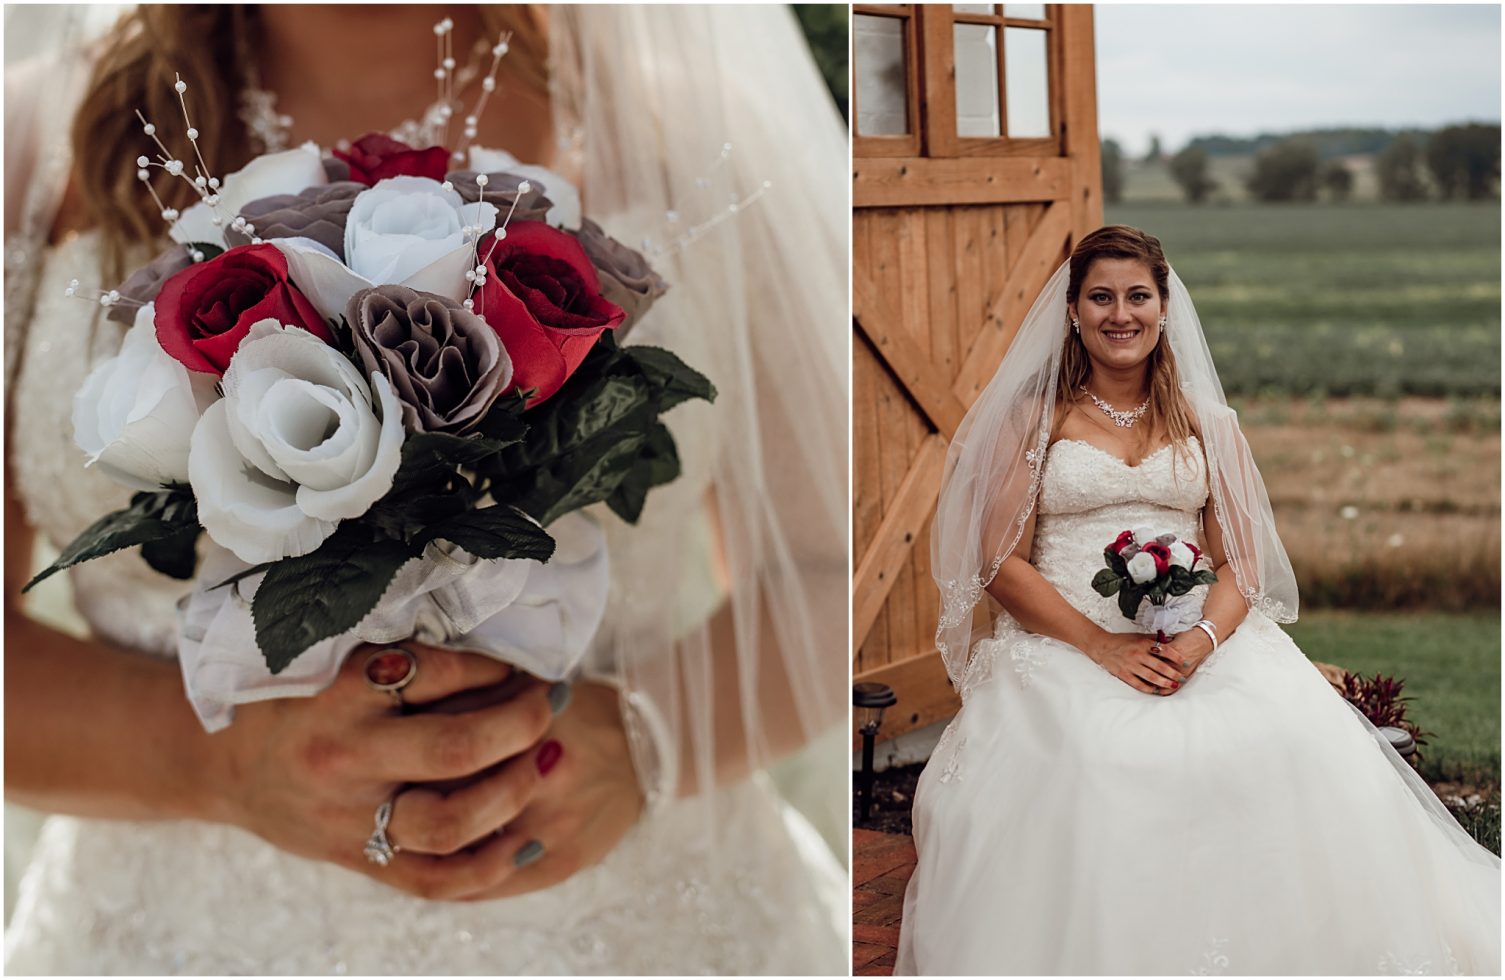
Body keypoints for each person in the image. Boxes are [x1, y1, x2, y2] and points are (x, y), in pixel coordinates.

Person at [4, 5, 848, 973]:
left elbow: (828, 570)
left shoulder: (694, 133)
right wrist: (219, 763)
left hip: (630, 918)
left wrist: (648, 739)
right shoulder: (31, 141)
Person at [896, 225, 1500, 975]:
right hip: (1065, 645)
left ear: (1163, 305)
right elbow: (996, 560)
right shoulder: (1034, 419)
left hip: (1201, 637)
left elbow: (1240, 559)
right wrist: (1101, 644)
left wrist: (1201, 642)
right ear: (1073, 312)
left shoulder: (1206, 422)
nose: (1121, 314)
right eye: (1101, 297)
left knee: (1285, 744)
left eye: (1137, 296)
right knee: (1097, 760)